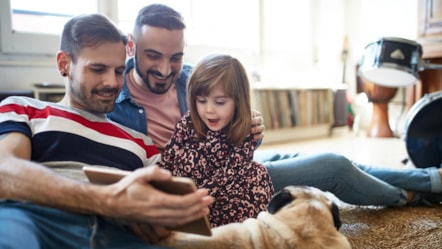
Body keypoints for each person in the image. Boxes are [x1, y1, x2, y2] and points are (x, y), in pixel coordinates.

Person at [107, 3, 442, 208]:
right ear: (132, 45)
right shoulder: (111, 98)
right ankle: (411, 196)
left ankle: (429, 180)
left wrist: (251, 127)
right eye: (153, 56)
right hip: (220, 182)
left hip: (234, 158)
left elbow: (240, 131)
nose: (166, 69)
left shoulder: (194, 80)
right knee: (332, 166)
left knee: (339, 158)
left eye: (176, 57)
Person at [0, 14, 213, 249]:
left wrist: (155, 217)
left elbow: (160, 198)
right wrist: (108, 201)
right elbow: (5, 172)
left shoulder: (141, 142)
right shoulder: (24, 109)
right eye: (98, 69)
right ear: (64, 64)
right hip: (36, 219)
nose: (112, 82)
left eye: (119, 71)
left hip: (115, 232)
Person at [158, 53, 275, 227]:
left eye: (220, 102)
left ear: (238, 101)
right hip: (189, 200)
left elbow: (230, 175)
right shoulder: (188, 123)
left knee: (258, 173)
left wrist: (196, 197)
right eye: (202, 101)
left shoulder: (245, 130)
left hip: (221, 198)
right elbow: (168, 160)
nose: (209, 110)